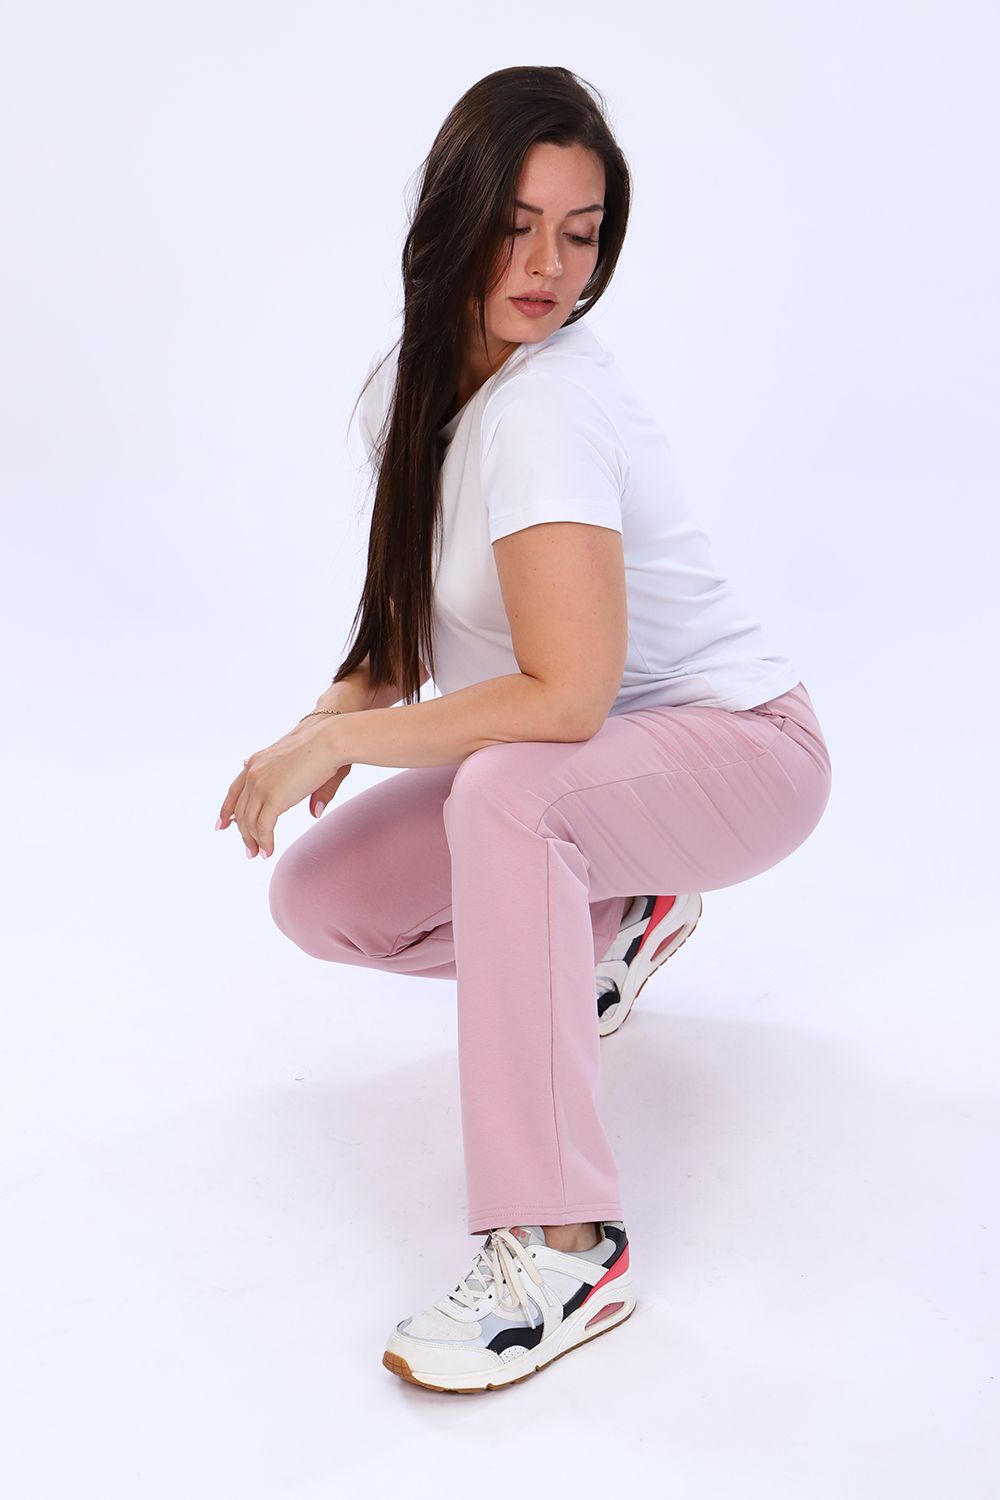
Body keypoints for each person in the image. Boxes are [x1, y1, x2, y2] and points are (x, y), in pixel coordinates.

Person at [216, 65, 832, 1395]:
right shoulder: (418, 392)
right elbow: (404, 639)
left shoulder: (548, 406)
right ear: (456, 215)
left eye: (582, 233)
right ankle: (622, 912)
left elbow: (566, 699)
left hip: (741, 752)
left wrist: (344, 749)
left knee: (505, 794)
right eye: (518, 225)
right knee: (323, 897)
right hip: (594, 777)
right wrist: (313, 729)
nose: (550, 266)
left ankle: (564, 1248)